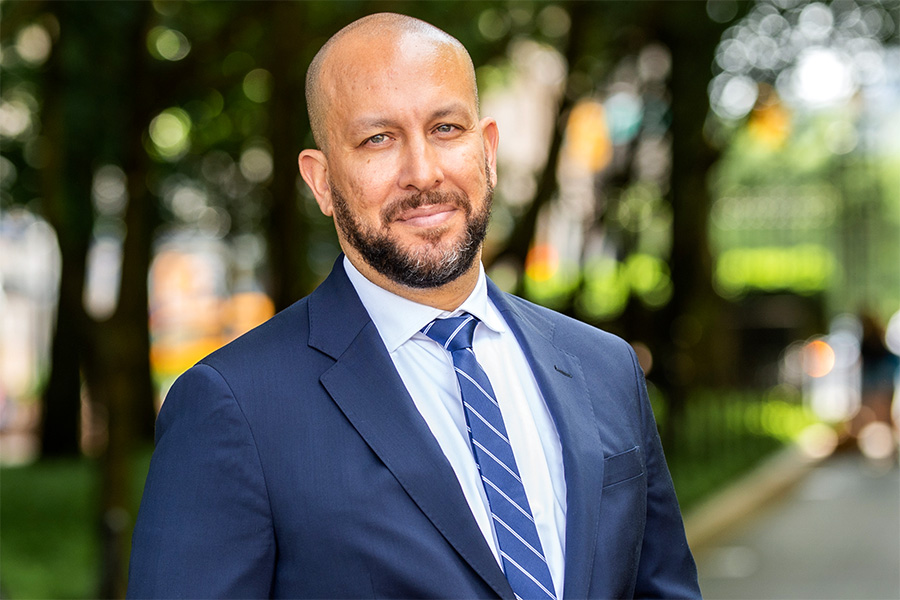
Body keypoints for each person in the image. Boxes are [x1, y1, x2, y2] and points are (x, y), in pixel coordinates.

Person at [127, 12, 700, 600]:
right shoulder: (233, 407)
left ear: (489, 151)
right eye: (378, 139)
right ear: (322, 182)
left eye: (446, 128)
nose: (422, 173)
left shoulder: (604, 367)